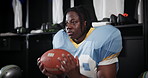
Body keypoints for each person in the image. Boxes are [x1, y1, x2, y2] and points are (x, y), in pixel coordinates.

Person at [37, 5, 122, 78]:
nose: (68, 26)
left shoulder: (102, 38)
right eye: (66, 23)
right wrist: (53, 75)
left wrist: (75, 75)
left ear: (84, 23)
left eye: (73, 22)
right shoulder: (61, 39)